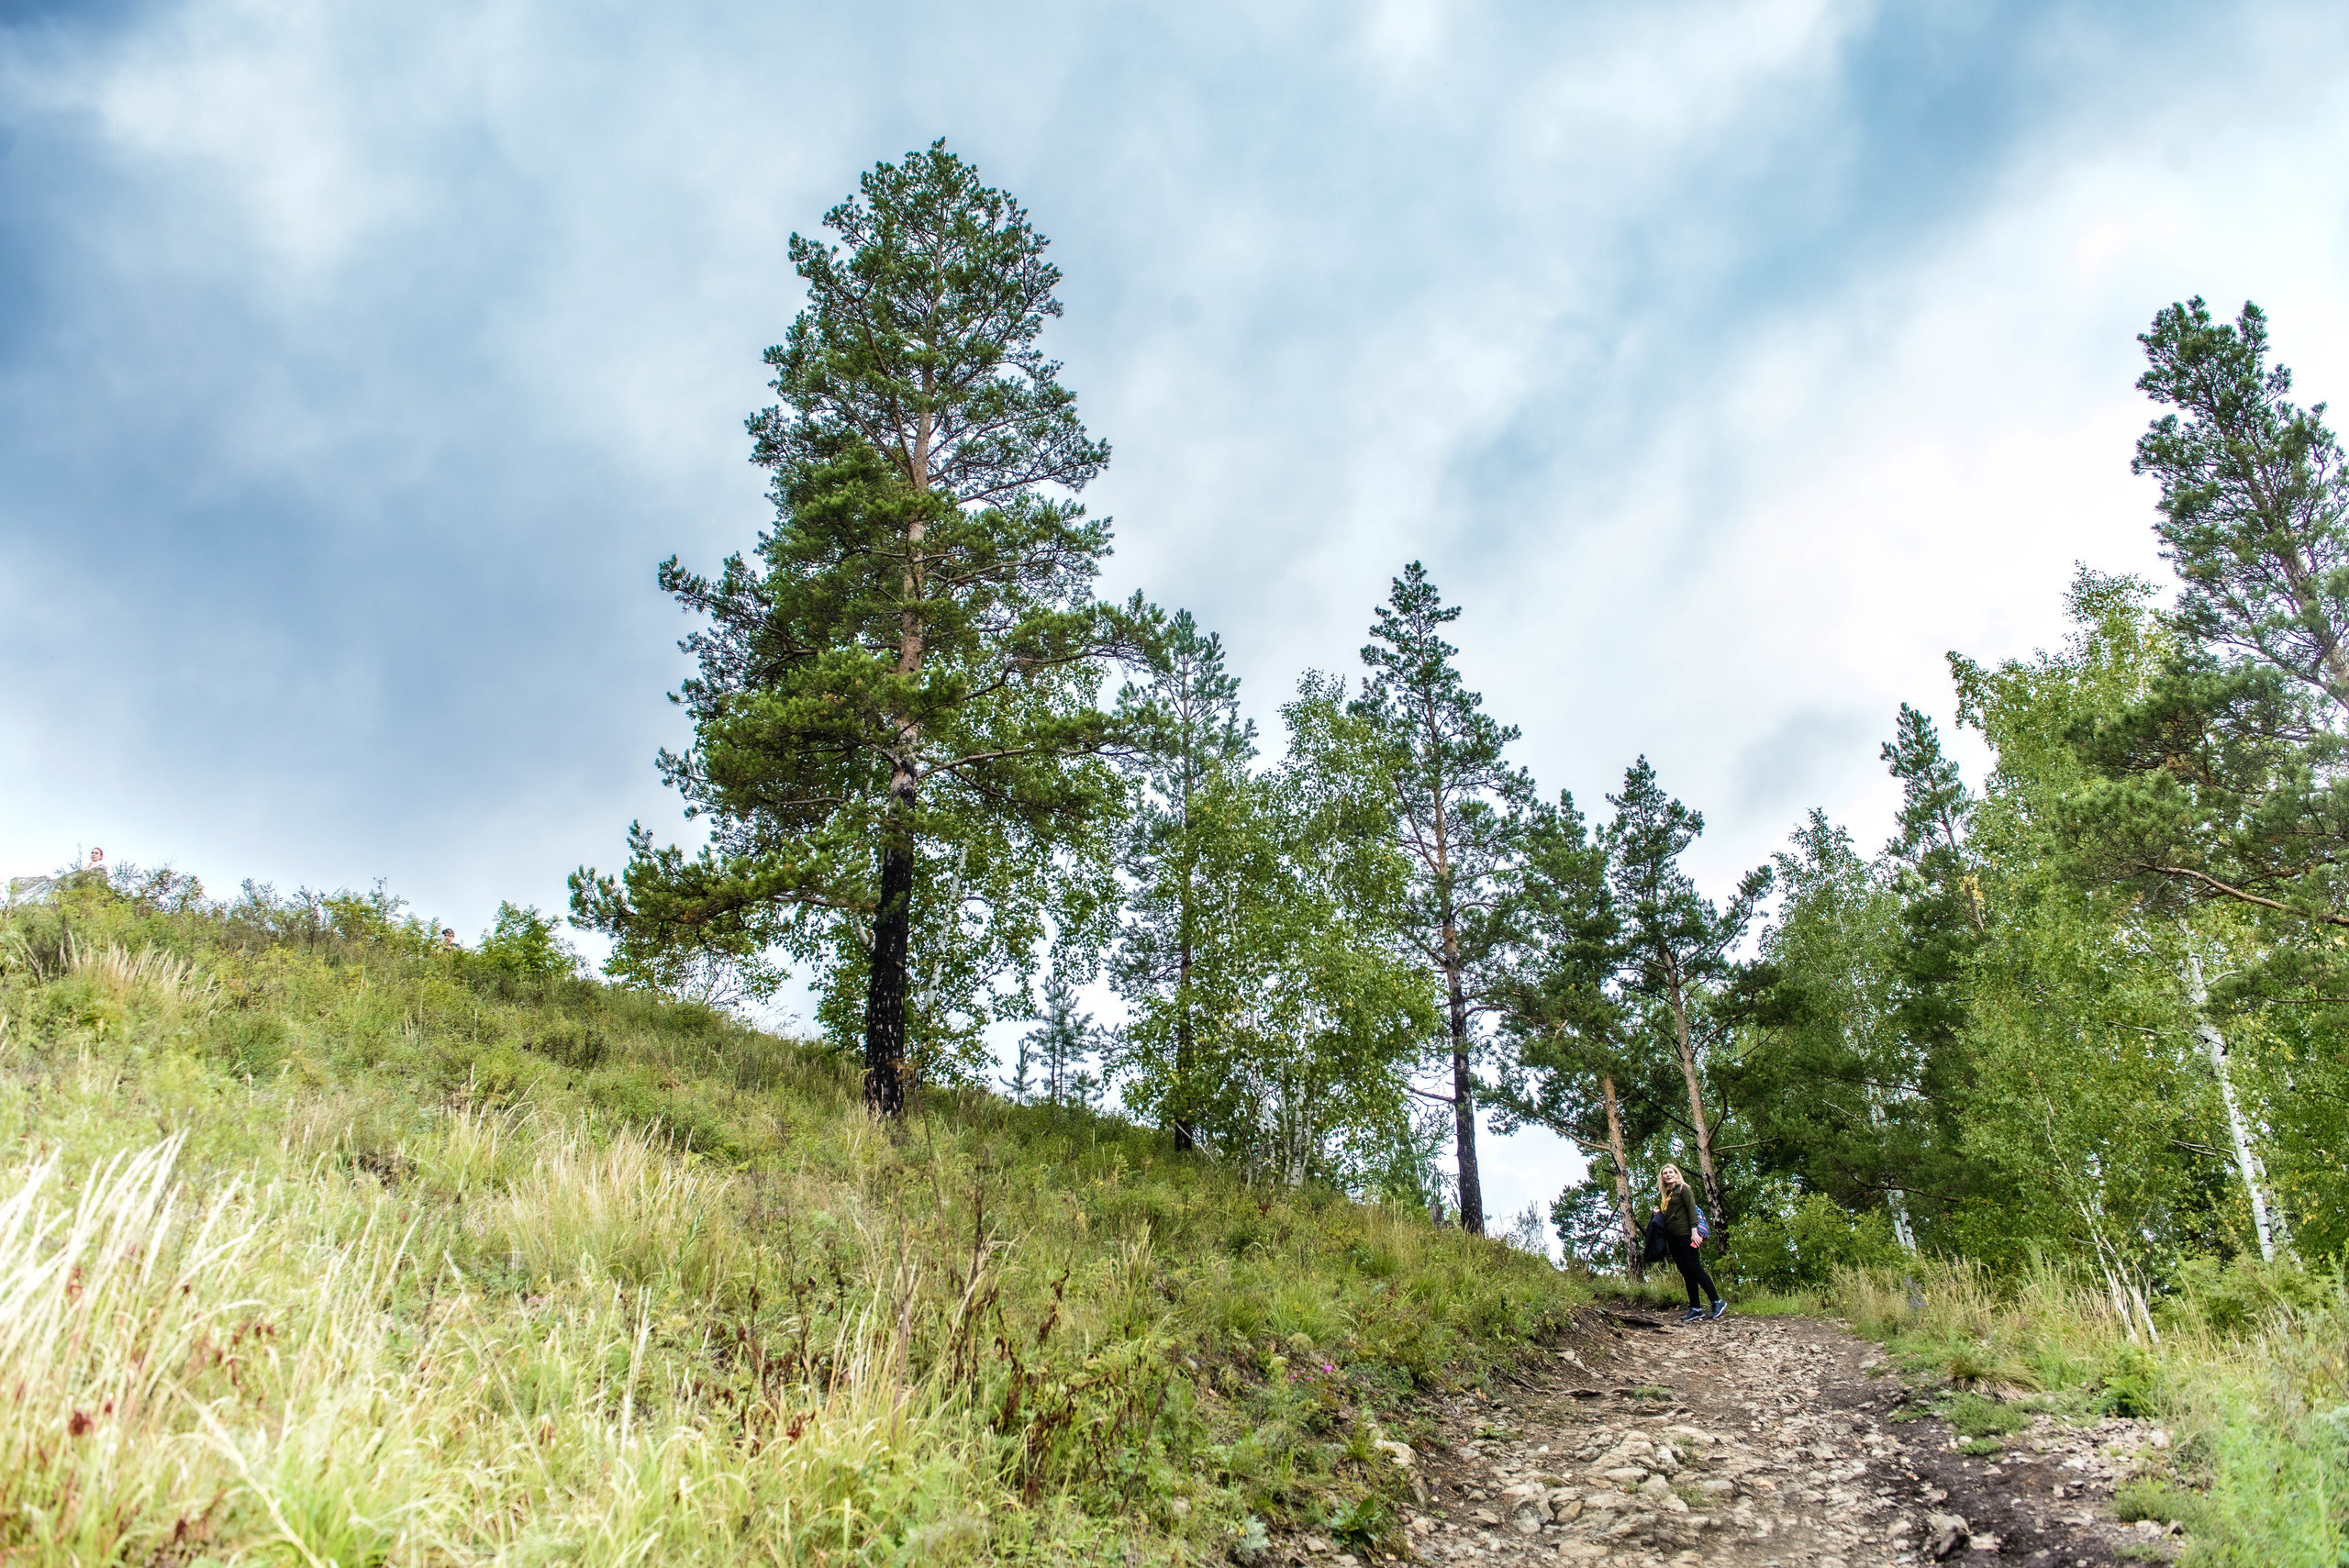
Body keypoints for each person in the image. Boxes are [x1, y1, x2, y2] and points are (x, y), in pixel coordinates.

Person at [1656, 1164, 1726, 1322]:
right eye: (1665, 1173)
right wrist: (1659, 1213)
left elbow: (1691, 1211)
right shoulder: (1668, 1195)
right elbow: (1672, 1215)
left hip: (1686, 1234)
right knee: (1686, 1273)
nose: (1668, 1175)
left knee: (1694, 1268)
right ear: (1662, 1178)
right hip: (1673, 1237)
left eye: (1670, 1172)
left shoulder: (1683, 1189)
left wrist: (1695, 1232)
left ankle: (1717, 1301)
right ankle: (1696, 1308)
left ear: (1676, 1174)